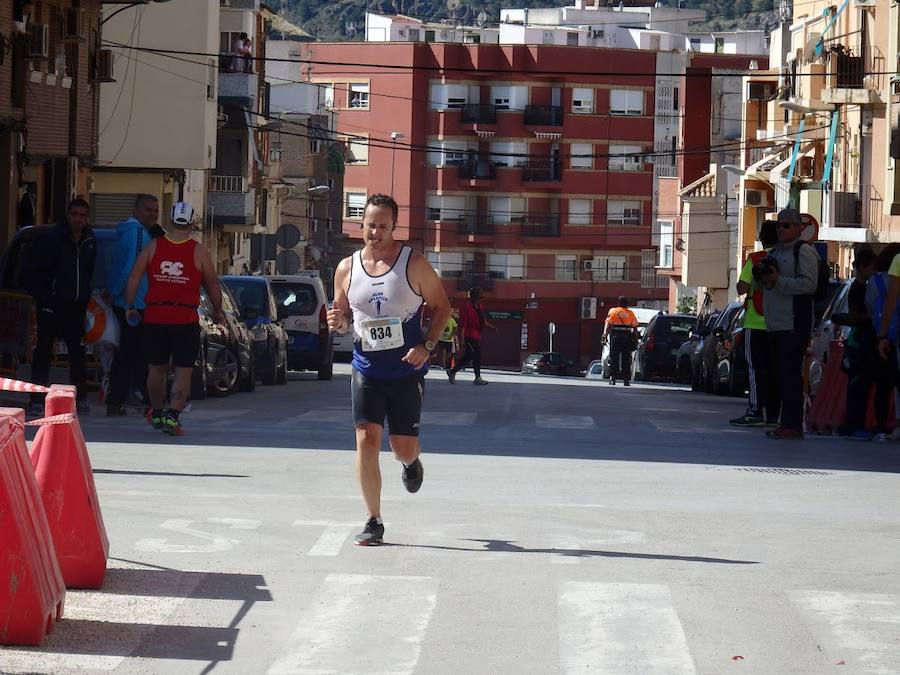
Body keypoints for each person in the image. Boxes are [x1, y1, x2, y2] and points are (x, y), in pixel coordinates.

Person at [327, 194, 452, 546]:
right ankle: (373, 519)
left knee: (402, 446)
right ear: (361, 225)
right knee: (366, 439)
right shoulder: (346, 268)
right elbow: (343, 318)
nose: (376, 232)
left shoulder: (413, 264)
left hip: (405, 370)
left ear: (394, 227)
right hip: (365, 367)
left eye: (383, 226)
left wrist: (426, 346)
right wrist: (337, 321)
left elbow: (443, 308)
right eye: (370, 225)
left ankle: (411, 463)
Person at [124, 202, 224, 436]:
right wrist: (217, 310)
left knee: (156, 369)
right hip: (184, 318)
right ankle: (173, 414)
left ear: (170, 221)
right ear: (191, 223)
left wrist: (130, 306)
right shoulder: (198, 251)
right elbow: (212, 284)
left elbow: (134, 278)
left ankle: (157, 411)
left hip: (154, 316)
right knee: (183, 370)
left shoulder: (153, 246)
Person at [25, 198, 96, 415]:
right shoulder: (52, 238)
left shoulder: (89, 239)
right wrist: (45, 299)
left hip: (77, 305)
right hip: (52, 304)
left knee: (78, 353)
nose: (78, 219)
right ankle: (37, 400)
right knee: (44, 351)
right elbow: (35, 271)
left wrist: (85, 296)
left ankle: (80, 398)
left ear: (87, 218)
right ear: (68, 215)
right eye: (74, 214)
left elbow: (88, 271)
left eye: (82, 215)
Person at [759, 208, 820, 440]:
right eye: (779, 225)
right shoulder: (776, 252)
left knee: (790, 376)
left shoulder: (803, 251)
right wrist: (765, 279)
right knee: (780, 376)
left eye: (786, 225)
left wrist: (778, 280)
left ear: (798, 228)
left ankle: (793, 425)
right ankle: (786, 423)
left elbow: (809, 285)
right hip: (775, 324)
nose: (781, 229)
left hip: (794, 323)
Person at [106, 194, 161, 416]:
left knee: (132, 354)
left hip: (133, 302)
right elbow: (129, 268)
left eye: (156, 210)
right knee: (134, 354)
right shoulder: (137, 234)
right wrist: (118, 294)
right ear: (137, 210)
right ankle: (142, 401)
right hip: (133, 304)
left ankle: (130, 400)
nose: (153, 214)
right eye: (148, 209)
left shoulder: (135, 232)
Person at [730, 220, 780, 427]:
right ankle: (774, 415)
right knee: (776, 370)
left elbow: (741, 289)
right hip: (779, 323)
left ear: (761, 238)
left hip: (755, 322)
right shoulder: (784, 259)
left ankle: (755, 410)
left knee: (755, 369)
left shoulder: (756, 259)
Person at [833, 248, 881, 439]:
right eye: (872, 267)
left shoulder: (865, 286)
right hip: (859, 342)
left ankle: (854, 425)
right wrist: (872, 316)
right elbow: (853, 316)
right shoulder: (857, 288)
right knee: (858, 386)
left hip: (862, 341)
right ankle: (853, 426)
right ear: (862, 267)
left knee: (862, 386)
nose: (875, 272)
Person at [448, 287, 495, 385]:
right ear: (474, 297)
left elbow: (483, 321)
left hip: (477, 335)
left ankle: (452, 371)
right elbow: (463, 325)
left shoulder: (480, 307)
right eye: (480, 297)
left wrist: (492, 327)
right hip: (469, 336)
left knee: (469, 356)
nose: (481, 300)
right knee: (476, 354)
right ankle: (477, 378)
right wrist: (461, 339)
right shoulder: (467, 307)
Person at [603, 296, 639, 386]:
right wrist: (635, 339)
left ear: (618, 303)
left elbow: (608, 325)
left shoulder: (613, 311)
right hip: (626, 337)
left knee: (614, 358)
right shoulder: (630, 313)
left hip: (615, 336)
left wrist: (604, 336)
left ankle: (613, 378)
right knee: (626, 359)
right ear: (626, 304)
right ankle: (626, 380)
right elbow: (635, 327)